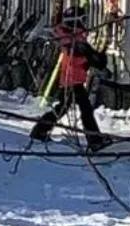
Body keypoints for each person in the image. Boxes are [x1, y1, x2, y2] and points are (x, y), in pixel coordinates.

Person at [30, 12, 110, 149]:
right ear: (75, 21)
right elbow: (82, 56)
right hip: (72, 81)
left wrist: (98, 56)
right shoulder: (72, 41)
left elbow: (91, 58)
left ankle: (40, 130)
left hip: (74, 80)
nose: (85, 22)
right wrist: (93, 57)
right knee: (84, 109)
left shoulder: (76, 38)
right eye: (83, 19)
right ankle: (94, 140)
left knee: (64, 108)